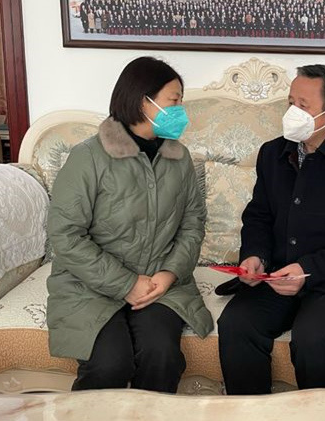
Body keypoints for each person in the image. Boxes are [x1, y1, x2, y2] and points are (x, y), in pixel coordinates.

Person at [217, 64, 325, 395]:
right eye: (290, 103)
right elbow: (258, 216)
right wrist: (255, 256)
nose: (292, 112)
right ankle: (250, 413)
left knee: (313, 338)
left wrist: (307, 269)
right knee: (236, 324)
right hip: (276, 276)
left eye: (303, 105)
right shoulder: (272, 153)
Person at [46, 56, 213, 393]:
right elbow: (65, 235)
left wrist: (169, 274)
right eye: (174, 101)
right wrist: (125, 283)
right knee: (110, 363)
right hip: (89, 285)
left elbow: (193, 223)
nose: (180, 111)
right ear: (143, 101)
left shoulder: (179, 158)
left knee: (161, 354)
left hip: (159, 283)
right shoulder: (88, 157)